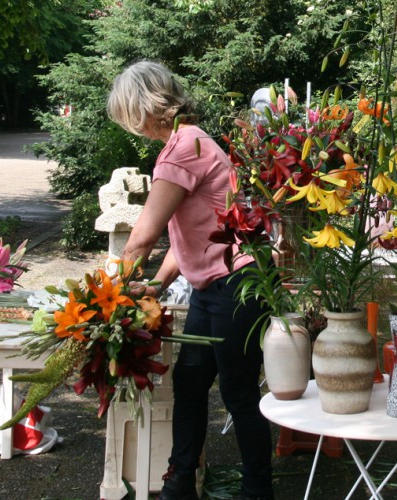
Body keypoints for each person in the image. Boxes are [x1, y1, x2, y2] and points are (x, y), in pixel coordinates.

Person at [107, 61, 273, 500]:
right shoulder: (187, 141)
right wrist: (157, 287)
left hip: (237, 285)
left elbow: (141, 238)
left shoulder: (182, 147)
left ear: (144, 107)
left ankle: (258, 491)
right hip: (211, 286)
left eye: (127, 112)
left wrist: (112, 298)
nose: (129, 124)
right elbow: (189, 236)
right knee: (191, 381)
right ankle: (180, 481)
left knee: (238, 393)